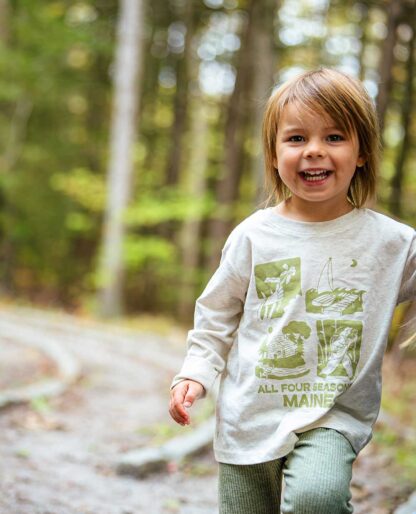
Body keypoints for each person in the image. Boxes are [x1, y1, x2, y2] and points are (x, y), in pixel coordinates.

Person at [168, 67, 416, 514]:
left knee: (316, 498)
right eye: (296, 138)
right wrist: (195, 373)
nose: (314, 151)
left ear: (362, 152)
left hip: (332, 414)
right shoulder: (254, 236)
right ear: (274, 152)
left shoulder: (392, 243)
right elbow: (218, 313)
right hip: (250, 413)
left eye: (335, 137)